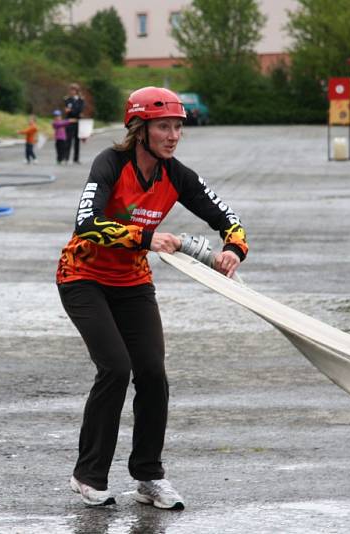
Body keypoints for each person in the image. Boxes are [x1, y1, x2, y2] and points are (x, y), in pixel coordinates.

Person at [56, 87, 248, 509]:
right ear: (140, 130)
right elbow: (86, 223)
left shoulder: (177, 175)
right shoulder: (111, 163)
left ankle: (148, 477)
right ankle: (88, 475)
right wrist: (144, 236)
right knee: (115, 367)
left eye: (178, 127)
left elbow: (228, 217)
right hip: (83, 277)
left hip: (132, 281)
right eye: (164, 126)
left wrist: (234, 248)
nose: (173, 135)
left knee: (152, 372)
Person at [63, 83, 85, 164]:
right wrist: (75, 111)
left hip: (78, 122)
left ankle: (76, 159)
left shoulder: (81, 100)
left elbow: (80, 110)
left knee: (77, 141)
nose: (72, 91)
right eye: (71, 90)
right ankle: (66, 158)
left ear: (77, 91)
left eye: (74, 90)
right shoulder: (67, 99)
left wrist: (72, 110)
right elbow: (68, 111)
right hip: (70, 122)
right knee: (68, 140)